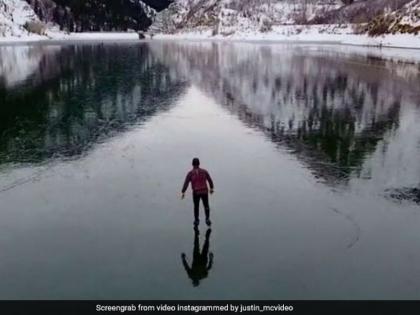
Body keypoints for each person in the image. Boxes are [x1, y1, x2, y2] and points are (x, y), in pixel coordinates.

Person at [181, 158, 214, 227]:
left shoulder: (190, 173)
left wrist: (183, 192)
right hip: (204, 191)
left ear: (192, 164)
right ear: (199, 163)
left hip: (196, 192)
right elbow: (210, 180)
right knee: (206, 205)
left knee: (196, 206)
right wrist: (211, 188)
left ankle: (196, 220)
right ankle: (207, 219)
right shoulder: (204, 171)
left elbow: (186, 183)